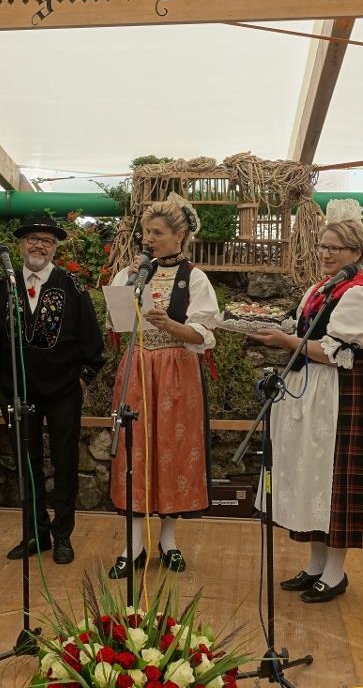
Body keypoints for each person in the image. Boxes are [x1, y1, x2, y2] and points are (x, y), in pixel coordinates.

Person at [249, 199, 363, 603]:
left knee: (335, 480)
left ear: (356, 254)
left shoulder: (361, 294)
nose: (325, 254)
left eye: (334, 248)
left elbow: (338, 352)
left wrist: (286, 342)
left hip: (339, 393)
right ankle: (314, 565)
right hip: (310, 389)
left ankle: (335, 571)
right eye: (323, 246)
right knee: (311, 476)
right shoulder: (321, 288)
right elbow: (307, 333)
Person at [106, 194, 217, 578]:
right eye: (146, 232)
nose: (149, 239)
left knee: (173, 450)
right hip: (137, 366)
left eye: (157, 232)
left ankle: (168, 540)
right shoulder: (130, 274)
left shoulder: (195, 278)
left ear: (179, 235)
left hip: (175, 370)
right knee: (134, 451)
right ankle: (133, 543)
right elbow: (118, 322)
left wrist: (171, 325)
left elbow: (204, 334)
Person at [0, 214, 105, 565]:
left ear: (55, 248)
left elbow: (92, 342)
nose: (39, 245)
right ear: (22, 245)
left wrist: (81, 381)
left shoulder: (72, 287)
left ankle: (63, 535)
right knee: (27, 463)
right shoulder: (2, 287)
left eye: (47, 241)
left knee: (66, 463)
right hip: (18, 392)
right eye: (33, 239)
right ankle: (34, 534)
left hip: (62, 392)